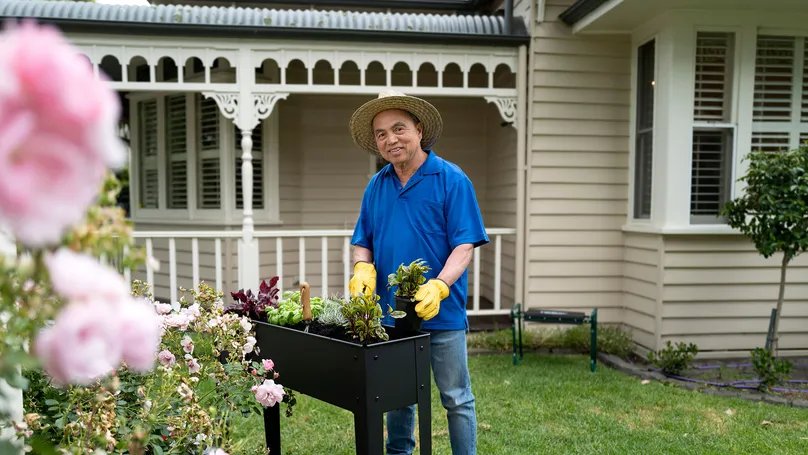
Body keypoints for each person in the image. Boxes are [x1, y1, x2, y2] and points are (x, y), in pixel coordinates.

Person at [347, 90, 489, 455]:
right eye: (381, 134)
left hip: (442, 314)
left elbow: (465, 245)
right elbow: (364, 239)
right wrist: (363, 265)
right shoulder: (376, 186)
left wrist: (440, 286)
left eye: (398, 129)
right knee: (397, 398)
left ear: (419, 130)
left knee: (456, 398)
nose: (390, 139)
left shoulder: (452, 180)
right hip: (393, 316)